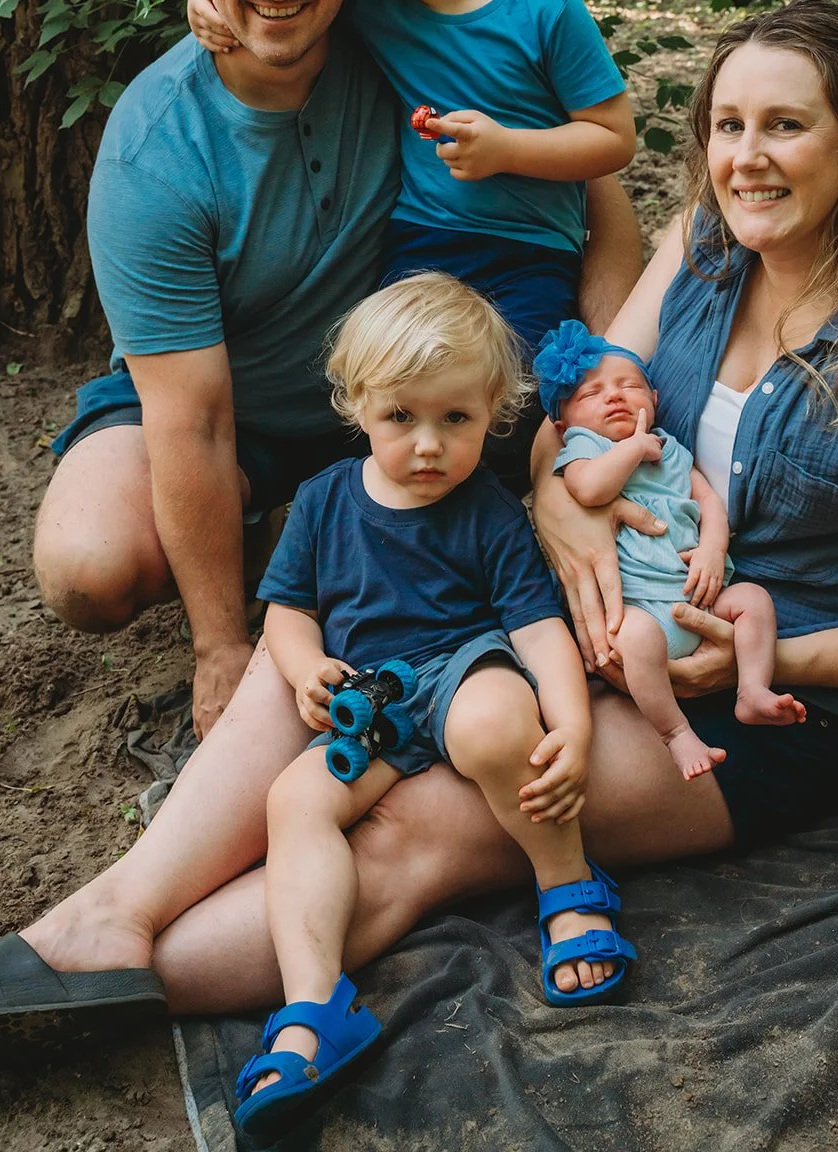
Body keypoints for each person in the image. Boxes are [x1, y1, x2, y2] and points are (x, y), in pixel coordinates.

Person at [0, 0, 838, 1057]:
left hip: (764, 707)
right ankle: (98, 919)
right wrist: (548, 499)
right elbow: (572, 402)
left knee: (422, 822)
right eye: (726, 124)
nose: (745, 158)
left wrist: (760, 655)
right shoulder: (698, 249)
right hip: (587, 609)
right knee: (326, 648)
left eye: (784, 125)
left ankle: (90, 1005)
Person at [32, 0, 643, 739]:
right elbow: (190, 416)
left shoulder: (392, 32)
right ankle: (265, 536)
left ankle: (324, 525)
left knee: (525, 435)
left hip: (385, 399)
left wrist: (599, 377)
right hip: (209, 408)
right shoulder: (155, 151)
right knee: (91, 568)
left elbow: (592, 181)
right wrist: (220, 650)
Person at [234, 275, 633, 1146]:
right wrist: (304, 670)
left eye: (455, 420)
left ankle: (567, 884)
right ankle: (314, 1004)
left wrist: (570, 723)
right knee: (293, 802)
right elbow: (289, 610)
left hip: (461, 668)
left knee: (495, 719)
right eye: (401, 418)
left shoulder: (485, 508)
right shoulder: (325, 499)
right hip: (370, 697)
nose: (427, 445)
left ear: (493, 413)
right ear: (356, 406)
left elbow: (534, 629)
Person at [190, 0, 637, 489]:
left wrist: (508, 150)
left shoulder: (545, 9)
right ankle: (372, 521)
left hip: (528, 253)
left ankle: (508, 523)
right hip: (417, 242)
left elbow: (612, 139)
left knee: (506, 402)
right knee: (394, 387)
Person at [534, 322, 805, 781]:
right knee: (638, 640)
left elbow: (709, 503)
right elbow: (591, 488)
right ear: (562, 426)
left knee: (753, 601)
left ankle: (753, 690)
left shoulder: (673, 450)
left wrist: (713, 549)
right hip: (640, 611)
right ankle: (676, 733)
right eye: (591, 394)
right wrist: (634, 448)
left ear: (655, 400)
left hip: (696, 593)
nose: (614, 397)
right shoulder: (585, 448)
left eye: (629, 386)